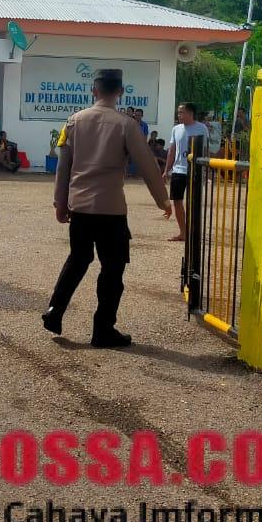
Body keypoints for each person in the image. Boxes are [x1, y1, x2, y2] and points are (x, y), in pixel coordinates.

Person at [43, 68, 172, 348]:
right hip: (111, 209)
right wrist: (163, 199)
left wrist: (60, 203)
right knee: (112, 270)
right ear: (121, 92)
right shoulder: (126, 125)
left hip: (80, 207)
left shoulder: (74, 121)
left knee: (77, 260)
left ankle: (54, 310)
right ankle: (103, 330)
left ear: (94, 90)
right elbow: (148, 165)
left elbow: (63, 167)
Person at [163, 102, 208, 243]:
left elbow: (205, 150)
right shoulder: (176, 129)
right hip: (178, 171)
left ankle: (194, 232)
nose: (179, 115)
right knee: (177, 201)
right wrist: (166, 170)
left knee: (194, 202)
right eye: (178, 112)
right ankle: (183, 232)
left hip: (195, 170)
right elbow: (172, 151)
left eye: (181, 112)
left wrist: (205, 169)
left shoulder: (202, 128)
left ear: (190, 113)